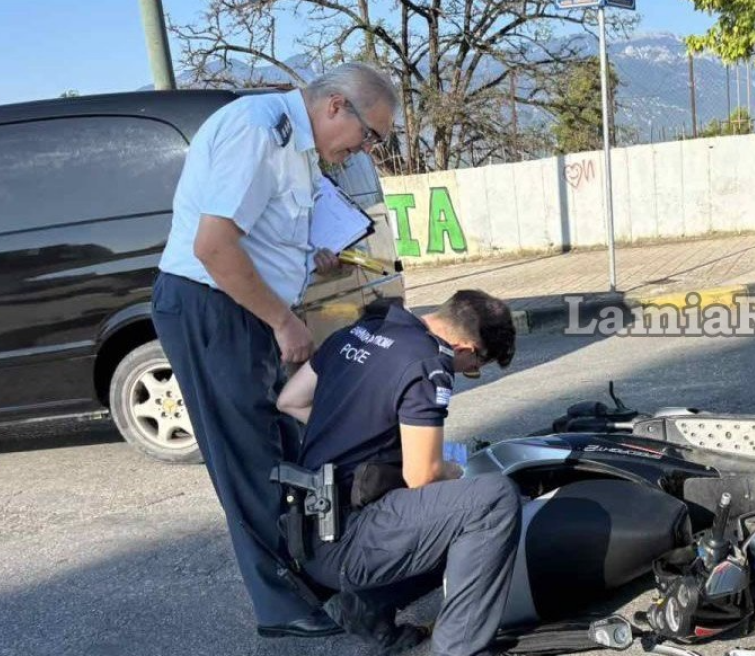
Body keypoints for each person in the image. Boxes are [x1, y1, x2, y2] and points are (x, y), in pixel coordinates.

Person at [151, 62, 398, 637]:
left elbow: (265, 231)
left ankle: (306, 577)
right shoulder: (258, 130)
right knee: (247, 457)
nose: (365, 150)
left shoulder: (301, 148)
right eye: (369, 135)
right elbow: (214, 247)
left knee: (280, 444)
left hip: (241, 309)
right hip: (210, 306)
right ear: (336, 105)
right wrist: (285, 323)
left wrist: (311, 253)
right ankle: (280, 608)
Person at [275, 291, 521, 656]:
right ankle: (460, 649)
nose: (468, 372)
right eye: (474, 366)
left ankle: (367, 606)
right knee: (494, 501)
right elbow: (424, 475)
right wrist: (458, 469)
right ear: (467, 348)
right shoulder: (430, 363)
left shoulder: (356, 333)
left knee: (446, 513)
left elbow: (290, 400)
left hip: (307, 533)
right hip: (347, 543)